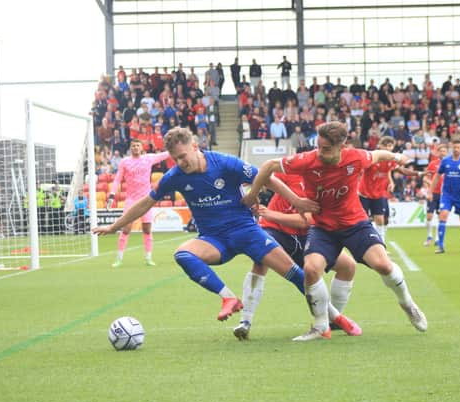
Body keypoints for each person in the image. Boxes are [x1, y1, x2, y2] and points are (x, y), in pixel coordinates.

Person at [93, 127, 319, 325]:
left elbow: (265, 177)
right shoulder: (174, 176)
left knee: (294, 274)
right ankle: (229, 298)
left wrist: (296, 201)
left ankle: (332, 317)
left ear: (195, 146)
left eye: (183, 156)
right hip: (214, 239)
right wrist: (115, 226)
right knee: (183, 255)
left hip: (246, 231)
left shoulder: (224, 162)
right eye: (175, 159)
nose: (181, 162)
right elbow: (146, 202)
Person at [243, 122, 427, 341]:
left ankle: (407, 303)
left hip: (355, 223)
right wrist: (259, 195)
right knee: (311, 270)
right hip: (323, 228)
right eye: (318, 147)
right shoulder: (308, 160)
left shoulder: (356, 157)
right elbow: (268, 166)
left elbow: (377, 154)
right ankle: (321, 326)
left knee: (382, 265)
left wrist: (396, 157)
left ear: (342, 145)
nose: (320, 153)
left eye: (326, 149)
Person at [234, 173, 361, 340]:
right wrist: (254, 192)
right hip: (275, 231)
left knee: (348, 266)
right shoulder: (292, 173)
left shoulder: (328, 185)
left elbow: (306, 221)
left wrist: (270, 213)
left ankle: (332, 320)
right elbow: (262, 177)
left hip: (308, 235)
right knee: (260, 261)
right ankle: (245, 321)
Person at [107, 139, 170, 267]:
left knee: (147, 229)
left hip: (146, 199)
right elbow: (117, 179)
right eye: (133, 146)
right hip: (131, 200)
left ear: (142, 148)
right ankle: (119, 259)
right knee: (126, 228)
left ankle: (148, 258)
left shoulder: (148, 158)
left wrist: (180, 148)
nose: (135, 147)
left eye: (137, 145)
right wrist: (112, 195)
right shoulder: (125, 162)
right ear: (131, 148)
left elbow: (166, 154)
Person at [358, 136, 421, 246]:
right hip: (365, 193)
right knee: (363, 221)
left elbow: (396, 171)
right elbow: (359, 170)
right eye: (386, 145)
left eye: (390, 145)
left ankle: (381, 243)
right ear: (380, 146)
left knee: (380, 219)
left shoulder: (391, 161)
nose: (388, 148)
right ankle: (363, 242)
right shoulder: (372, 158)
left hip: (378, 194)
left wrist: (418, 173)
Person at [428, 137, 460, 254]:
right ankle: (441, 245)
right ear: (452, 148)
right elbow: (437, 176)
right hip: (447, 194)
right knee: (443, 215)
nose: (456, 149)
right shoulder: (446, 161)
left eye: (458, 147)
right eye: (454, 147)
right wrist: (430, 191)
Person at [423, 144, 448, 246]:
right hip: (433, 194)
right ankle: (429, 236)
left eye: (444, 151)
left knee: (440, 217)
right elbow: (425, 178)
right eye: (440, 151)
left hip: (444, 194)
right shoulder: (433, 164)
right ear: (438, 153)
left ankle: (438, 239)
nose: (442, 153)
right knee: (429, 216)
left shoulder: (450, 164)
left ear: (447, 152)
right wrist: (430, 186)